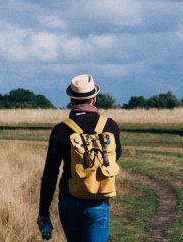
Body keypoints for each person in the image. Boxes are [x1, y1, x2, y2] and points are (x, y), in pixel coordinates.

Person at [37, 74, 123, 242]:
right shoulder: (110, 126)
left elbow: (50, 174)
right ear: (94, 99)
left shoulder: (61, 130)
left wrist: (43, 212)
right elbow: (116, 155)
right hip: (98, 200)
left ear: (72, 100)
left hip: (69, 200)